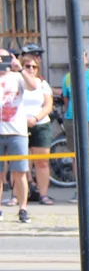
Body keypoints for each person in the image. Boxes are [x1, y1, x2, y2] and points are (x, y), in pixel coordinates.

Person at [60, 51, 89, 203]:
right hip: (72, 119)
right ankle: (79, 190)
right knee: (76, 156)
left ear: (87, 59)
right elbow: (66, 99)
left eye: (83, 56)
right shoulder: (67, 78)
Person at [18, 47, 55, 206]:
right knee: (20, 163)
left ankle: (44, 194)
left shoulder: (42, 84)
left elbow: (48, 105)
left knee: (42, 162)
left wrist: (35, 118)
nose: (31, 69)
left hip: (40, 124)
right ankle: (19, 196)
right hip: (19, 126)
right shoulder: (17, 82)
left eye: (34, 67)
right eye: (28, 66)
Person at [0, 50, 30, 223]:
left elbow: (33, 86)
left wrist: (20, 69)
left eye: (4, 58)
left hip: (17, 130)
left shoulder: (17, 77)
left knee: (19, 172)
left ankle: (23, 208)